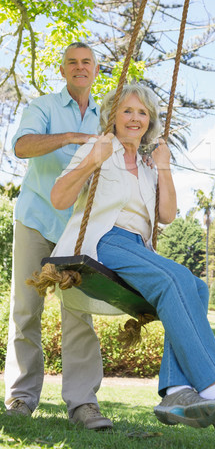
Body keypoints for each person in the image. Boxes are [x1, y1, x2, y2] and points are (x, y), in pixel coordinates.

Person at [49, 82, 215, 436]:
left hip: (137, 247)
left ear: (151, 121)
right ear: (112, 116)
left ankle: (176, 390)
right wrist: (91, 160)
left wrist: (164, 167)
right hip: (104, 239)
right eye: (127, 111)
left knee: (197, 287)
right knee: (174, 279)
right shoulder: (98, 148)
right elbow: (59, 197)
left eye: (142, 112)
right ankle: (214, 394)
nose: (134, 118)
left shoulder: (149, 166)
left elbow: (166, 215)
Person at [4, 42, 113, 430]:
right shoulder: (43, 108)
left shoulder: (108, 117)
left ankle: (83, 404)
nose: (80, 68)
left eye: (87, 63)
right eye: (72, 63)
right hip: (36, 220)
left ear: (96, 71)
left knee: (79, 313)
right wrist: (69, 136)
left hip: (79, 231)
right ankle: (21, 397)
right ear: (63, 70)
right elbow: (20, 146)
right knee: (26, 311)